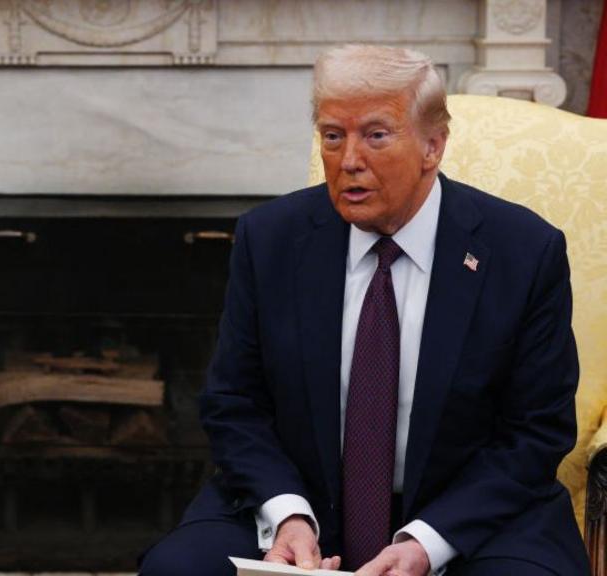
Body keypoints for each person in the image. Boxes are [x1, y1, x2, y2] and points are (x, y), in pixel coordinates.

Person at [140, 44, 589, 576]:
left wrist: (426, 543)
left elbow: (536, 431)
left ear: (433, 146)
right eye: (333, 136)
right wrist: (287, 515)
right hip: (300, 499)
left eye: (376, 135)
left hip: (470, 511)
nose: (349, 160)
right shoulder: (271, 239)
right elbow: (233, 402)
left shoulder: (522, 251)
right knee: (177, 569)